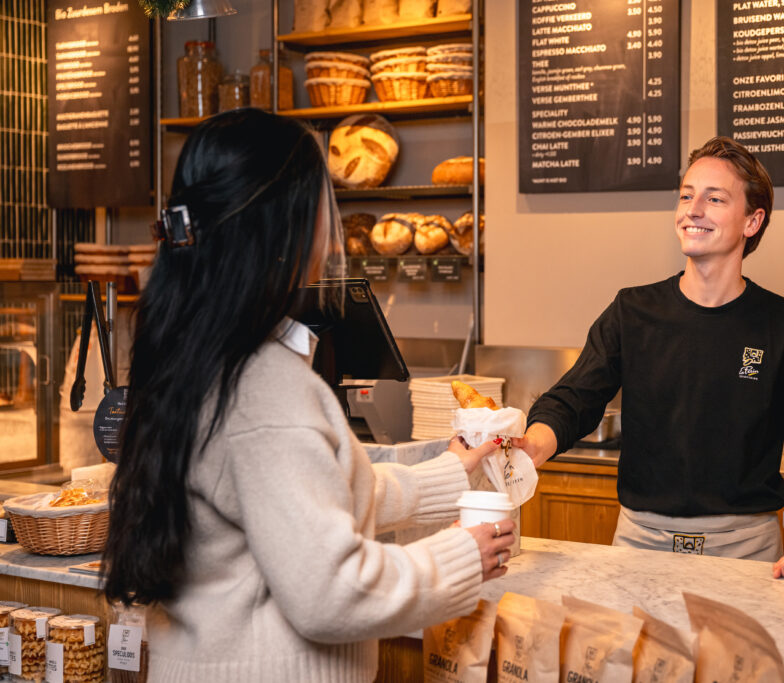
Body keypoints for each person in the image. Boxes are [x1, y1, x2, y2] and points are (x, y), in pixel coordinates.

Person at [102, 108, 514, 682]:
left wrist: (450, 472)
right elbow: (332, 593)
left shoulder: (193, 351)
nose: (332, 218)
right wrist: (464, 555)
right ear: (283, 224)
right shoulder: (266, 388)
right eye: (322, 198)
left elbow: (304, 502)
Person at [512, 136, 784, 578]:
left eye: (714, 198)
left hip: (746, 553)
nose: (692, 209)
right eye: (686, 195)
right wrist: (530, 446)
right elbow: (574, 399)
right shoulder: (632, 311)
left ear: (752, 221)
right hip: (638, 546)